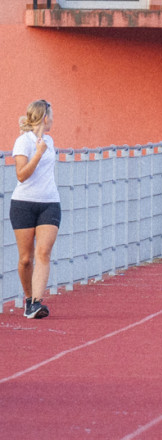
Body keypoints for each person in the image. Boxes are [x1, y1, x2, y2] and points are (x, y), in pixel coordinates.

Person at [10, 100, 61, 319]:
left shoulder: (50, 140)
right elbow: (21, 175)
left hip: (50, 202)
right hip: (23, 204)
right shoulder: (23, 142)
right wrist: (39, 153)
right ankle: (28, 299)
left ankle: (36, 302)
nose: (53, 119)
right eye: (51, 115)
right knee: (26, 259)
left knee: (44, 252)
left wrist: (44, 149)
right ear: (44, 117)